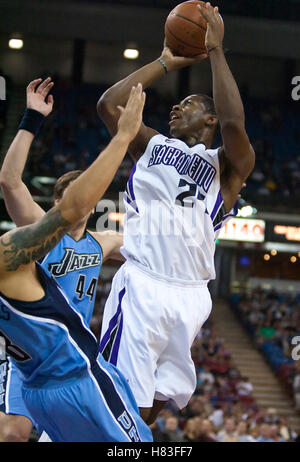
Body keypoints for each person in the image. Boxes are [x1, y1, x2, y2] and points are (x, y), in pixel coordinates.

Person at [97, 2, 255, 425]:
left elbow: (236, 125)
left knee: (158, 397)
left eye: (186, 104)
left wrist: (216, 52)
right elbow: (109, 105)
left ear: (210, 117)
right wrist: (164, 62)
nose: (174, 109)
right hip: (146, 279)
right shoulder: (150, 144)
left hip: (192, 294)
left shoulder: (226, 168)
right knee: (117, 394)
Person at [0, 83, 152, 442]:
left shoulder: (103, 242)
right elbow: (10, 183)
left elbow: (152, 250)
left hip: (75, 356)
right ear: (57, 200)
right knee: (14, 433)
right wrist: (31, 119)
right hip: (31, 363)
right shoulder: (39, 230)